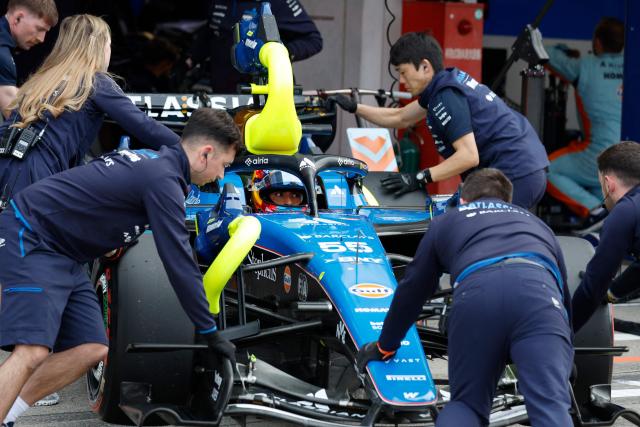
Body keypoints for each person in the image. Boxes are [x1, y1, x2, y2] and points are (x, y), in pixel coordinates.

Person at [0, 107, 241, 427]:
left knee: (91, 348)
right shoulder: (164, 179)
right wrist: (209, 330)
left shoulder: (153, 161)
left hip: (65, 253)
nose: (221, 175)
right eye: (223, 165)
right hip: (31, 237)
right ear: (205, 153)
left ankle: (7, 413)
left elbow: (100, 194)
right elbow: (179, 262)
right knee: (32, 350)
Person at [356, 168, 574, 426]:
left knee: (466, 405)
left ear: (462, 200)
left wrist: (386, 345)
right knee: (550, 404)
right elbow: (565, 296)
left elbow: (413, 289)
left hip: (477, 295)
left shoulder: (447, 220)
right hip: (539, 298)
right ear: (508, 202)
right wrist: (566, 360)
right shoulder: (536, 224)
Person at [330, 32, 549, 210]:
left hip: (515, 173)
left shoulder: (445, 96)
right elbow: (400, 117)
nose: (401, 81)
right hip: (526, 170)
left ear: (425, 67)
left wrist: (418, 178)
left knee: (485, 240)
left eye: (403, 72)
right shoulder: (444, 85)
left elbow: (468, 156)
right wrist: (354, 107)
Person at [0, 14, 181, 206]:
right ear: (101, 46)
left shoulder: (41, 78)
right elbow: (145, 126)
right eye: (109, 45)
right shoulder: (94, 81)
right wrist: (189, 148)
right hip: (37, 176)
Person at [546, 17, 624, 220]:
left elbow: (545, 54)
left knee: (544, 169)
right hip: (632, 155)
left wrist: (564, 49)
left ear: (597, 43)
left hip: (600, 156)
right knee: (606, 187)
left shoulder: (584, 66)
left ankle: (594, 210)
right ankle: (609, 214)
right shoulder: (632, 67)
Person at [571, 141, 640, 332]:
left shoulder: (626, 211)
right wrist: (613, 292)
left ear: (608, 184)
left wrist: (561, 333)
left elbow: (593, 286)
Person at [189, 0, 322, 93]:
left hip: (266, 93)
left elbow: (313, 40)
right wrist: (188, 61)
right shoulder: (221, 2)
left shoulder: (278, 3)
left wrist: (278, 53)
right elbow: (211, 34)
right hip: (222, 93)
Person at [0, 0, 58, 117]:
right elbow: (15, 116)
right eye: (40, 29)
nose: (41, 39)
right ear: (18, 18)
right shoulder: (2, 56)